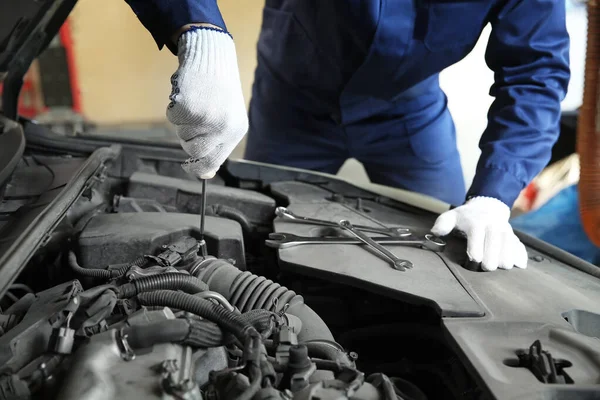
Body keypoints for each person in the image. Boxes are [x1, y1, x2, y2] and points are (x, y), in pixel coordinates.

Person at [123, 0, 570, 272]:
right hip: (293, 101)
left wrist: (495, 193)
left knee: (447, 241)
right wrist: (198, 27)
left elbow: (535, 71)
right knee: (258, 230)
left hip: (408, 111)